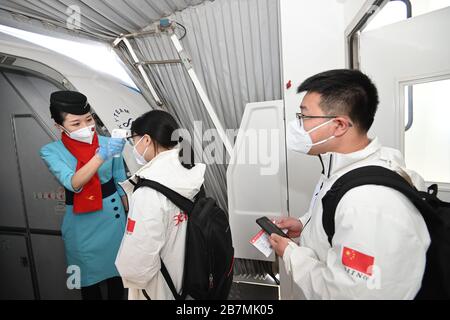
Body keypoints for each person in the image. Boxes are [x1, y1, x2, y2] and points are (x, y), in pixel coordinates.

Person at [269, 69, 430, 299]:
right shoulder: (341, 166)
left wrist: (291, 254)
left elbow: (349, 293)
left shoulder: (370, 204)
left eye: (304, 117)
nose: (298, 125)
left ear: (339, 125)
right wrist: (305, 224)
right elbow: (338, 222)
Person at [40, 91, 128, 300]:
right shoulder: (51, 151)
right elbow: (73, 183)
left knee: (118, 278)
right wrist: (100, 156)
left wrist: (130, 212)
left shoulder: (109, 142)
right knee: (87, 281)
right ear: (59, 127)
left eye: (88, 119)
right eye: (75, 123)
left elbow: (119, 179)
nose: (85, 127)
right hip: (80, 225)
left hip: (112, 219)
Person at [115, 110, 206, 300]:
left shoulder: (148, 191)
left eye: (134, 140)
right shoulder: (192, 173)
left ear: (146, 140)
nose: (134, 146)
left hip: (159, 288)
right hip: (191, 280)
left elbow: (137, 262)